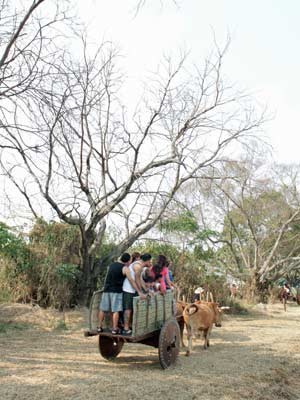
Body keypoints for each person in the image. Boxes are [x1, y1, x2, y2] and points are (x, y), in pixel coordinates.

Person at [97, 253, 141, 335]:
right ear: (128, 261)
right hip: (116, 291)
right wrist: (138, 290)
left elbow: (107, 277)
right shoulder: (125, 269)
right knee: (116, 310)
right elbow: (131, 281)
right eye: (130, 260)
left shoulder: (111, 265)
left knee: (102, 309)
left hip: (106, 290)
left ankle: (99, 327)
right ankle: (114, 329)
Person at [122, 253, 152, 334]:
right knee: (128, 309)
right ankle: (126, 328)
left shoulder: (140, 266)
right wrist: (140, 292)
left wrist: (146, 290)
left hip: (134, 289)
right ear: (147, 261)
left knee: (133, 308)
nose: (150, 263)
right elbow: (137, 279)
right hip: (128, 289)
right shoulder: (138, 266)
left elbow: (140, 280)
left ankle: (131, 326)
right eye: (150, 261)